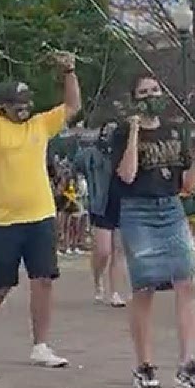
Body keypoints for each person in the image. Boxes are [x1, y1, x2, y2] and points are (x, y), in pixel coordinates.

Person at [0, 45, 80, 368]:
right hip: (2, 220)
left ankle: (41, 344)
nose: (24, 109)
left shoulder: (40, 125)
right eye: (17, 104)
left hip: (40, 214)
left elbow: (72, 105)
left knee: (43, 279)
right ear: (3, 107)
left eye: (27, 103)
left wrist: (69, 70)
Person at [111, 77, 195, 388]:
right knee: (145, 287)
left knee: (186, 281)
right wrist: (134, 131)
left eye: (155, 91)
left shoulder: (174, 132)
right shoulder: (121, 132)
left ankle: (188, 363)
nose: (151, 96)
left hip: (170, 208)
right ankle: (144, 364)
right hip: (137, 210)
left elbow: (187, 185)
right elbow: (126, 174)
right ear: (134, 99)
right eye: (143, 92)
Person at [76, 121, 128, 306]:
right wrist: (81, 140)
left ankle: (115, 291)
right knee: (104, 250)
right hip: (101, 204)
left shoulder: (126, 152)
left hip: (123, 202)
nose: (110, 134)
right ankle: (98, 280)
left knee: (119, 250)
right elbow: (78, 163)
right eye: (106, 130)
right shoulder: (94, 153)